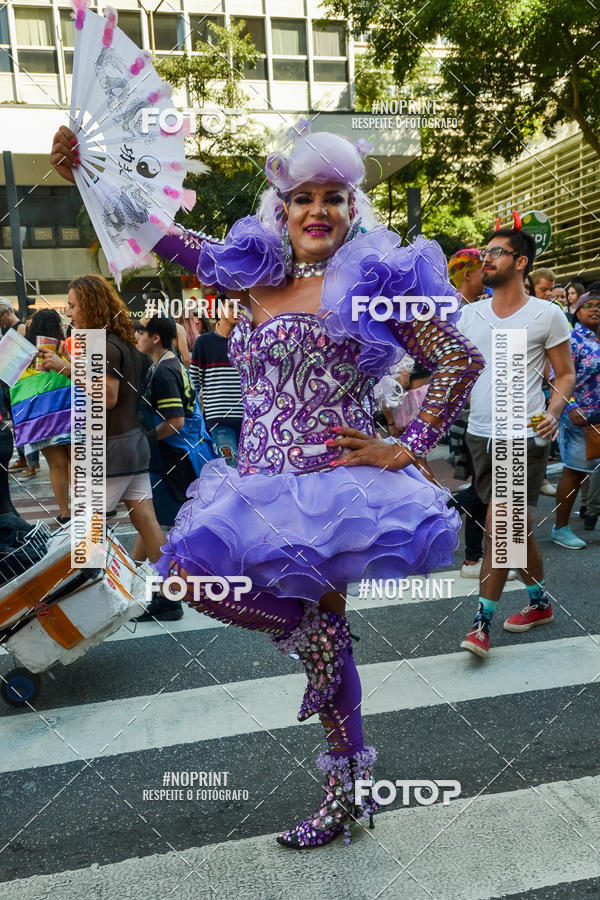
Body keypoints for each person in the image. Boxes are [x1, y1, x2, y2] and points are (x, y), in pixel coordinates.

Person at [52, 122, 484, 849]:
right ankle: (317, 645)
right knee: (190, 577)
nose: (319, 210)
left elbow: (459, 360)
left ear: (353, 209)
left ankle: (346, 791)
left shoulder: (372, 284)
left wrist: (403, 447)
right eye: (304, 197)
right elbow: (164, 234)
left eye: (335, 198)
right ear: (280, 210)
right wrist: (89, 174)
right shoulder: (252, 275)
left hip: (334, 491)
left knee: (323, 634)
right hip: (257, 482)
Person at [458, 220, 574, 659]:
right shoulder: (470, 314)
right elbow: (451, 371)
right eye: (484, 253)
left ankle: (481, 623)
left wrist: (554, 411)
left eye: (496, 253)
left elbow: (564, 373)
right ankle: (541, 602)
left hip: (520, 433)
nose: (485, 258)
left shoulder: (546, 314)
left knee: (501, 530)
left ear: (521, 262)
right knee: (513, 529)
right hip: (479, 435)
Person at [42, 275, 167, 562]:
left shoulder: (103, 345)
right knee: (146, 519)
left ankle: (93, 594)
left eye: (73, 306)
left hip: (109, 450)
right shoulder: (121, 343)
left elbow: (107, 395)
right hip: (132, 445)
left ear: (90, 306)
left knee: (86, 526)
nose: (69, 313)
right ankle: (169, 590)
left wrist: (67, 370)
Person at [134, 315, 214, 621]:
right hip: (181, 455)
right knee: (150, 520)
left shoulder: (165, 369)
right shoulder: (169, 364)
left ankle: (166, 597)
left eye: (140, 331)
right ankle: (138, 584)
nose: (136, 336)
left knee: (157, 525)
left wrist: (144, 438)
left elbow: (176, 422)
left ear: (156, 337)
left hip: (174, 457)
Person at [9, 310, 72, 522]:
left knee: (56, 465)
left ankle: (65, 512)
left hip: (40, 421)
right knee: (75, 461)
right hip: (68, 415)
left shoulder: (24, 356)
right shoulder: (63, 349)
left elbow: (11, 382)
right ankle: (84, 511)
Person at [552, 290, 600, 548]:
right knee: (575, 473)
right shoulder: (573, 339)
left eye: (599, 305)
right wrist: (570, 406)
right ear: (578, 311)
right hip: (581, 417)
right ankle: (560, 528)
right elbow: (556, 375)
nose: (595, 309)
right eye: (588, 305)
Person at [190, 295, 243, 466]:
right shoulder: (204, 342)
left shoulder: (246, 341)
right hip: (219, 418)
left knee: (248, 467)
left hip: (247, 417)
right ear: (219, 310)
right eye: (231, 307)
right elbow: (194, 384)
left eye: (239, 307)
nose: (237, 311)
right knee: (231, 465)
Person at [0, 298, 39, 477]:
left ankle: (32, 463)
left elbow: (24, 355)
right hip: (9, 381)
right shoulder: (4, 329)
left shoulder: (20, 327)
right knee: (17, 424)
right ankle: (24, 458)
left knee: (25, 423)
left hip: (20, 381)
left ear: (8, 312)